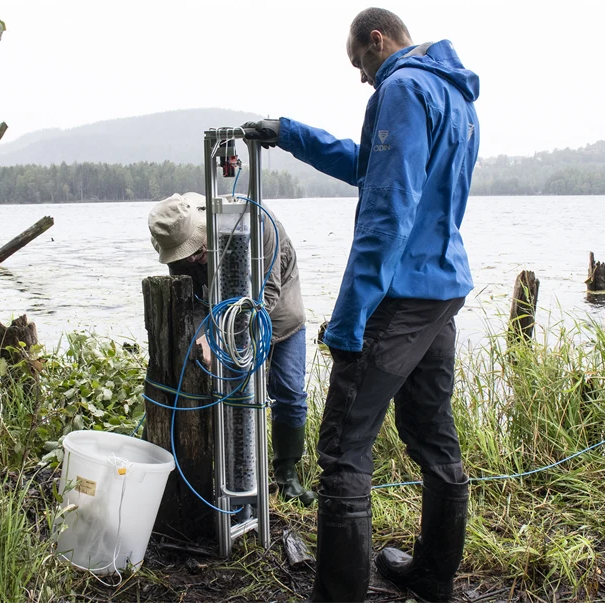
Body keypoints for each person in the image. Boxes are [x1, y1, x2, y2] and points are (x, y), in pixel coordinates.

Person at [242, 7, 481, 603]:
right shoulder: (455, 97)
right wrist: (290, 134)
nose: (361, 77)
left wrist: (348, 319)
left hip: (399, 297)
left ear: (378, 40)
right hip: (441, 288)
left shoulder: (401, 88)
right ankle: (431, 575)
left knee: (344, 451)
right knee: (433, 434)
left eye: (359, 62)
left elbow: (388, 209)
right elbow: (368, 164)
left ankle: (338, 596)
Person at [147, 192, 317, 506]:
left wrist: (218, 336)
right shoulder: (180, 246)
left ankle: (287, 475)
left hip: (280, 314)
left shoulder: (257, 222)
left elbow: (269, 292)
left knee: (290, 392)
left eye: (197, 253)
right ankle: (241, 478)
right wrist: (202, 337)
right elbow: (193, 300)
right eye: (185, 257)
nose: (193, 261)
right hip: (226, 324)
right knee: (239, 400)